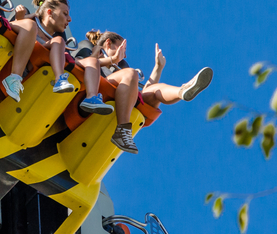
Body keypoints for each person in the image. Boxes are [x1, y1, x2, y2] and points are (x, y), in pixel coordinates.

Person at [78, 30, 213, 154]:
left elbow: (144, 92)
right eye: (123, 49)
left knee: (154, 91)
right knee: (130, 74)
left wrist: (158, 67)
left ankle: (182, 90)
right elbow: (82, 63)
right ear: (108, 43)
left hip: (122, 98)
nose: (124, 55)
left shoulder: (122, 66)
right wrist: (111, 60)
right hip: (99, 90)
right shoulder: (91, 49)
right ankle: (123, 129)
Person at [17, 0, 78, 95]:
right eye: (65, 14)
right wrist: (21, 17)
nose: (69, 19)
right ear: (49, 12)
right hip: (18, 72)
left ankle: (60, 80)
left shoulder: (57, 44)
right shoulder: (30, 25)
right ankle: (59, 79)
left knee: (59, 41)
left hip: (34, 84)